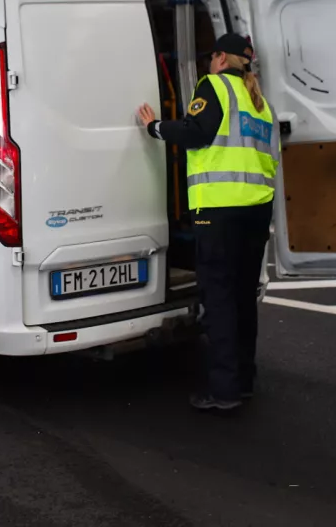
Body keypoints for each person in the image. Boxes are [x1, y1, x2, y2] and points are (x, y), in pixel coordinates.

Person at [136, 32, 277, 413]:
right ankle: (243, 380)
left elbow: (197, 133)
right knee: (244, 300)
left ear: (219, 58)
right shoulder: (259, 101)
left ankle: (224, 390)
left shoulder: (214, 85)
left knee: (220, 301)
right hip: (255, 210)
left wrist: (155, 127)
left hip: (219, 211)